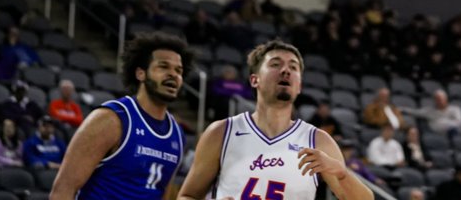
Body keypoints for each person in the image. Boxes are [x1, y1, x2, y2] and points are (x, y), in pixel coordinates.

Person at [177, 39, 372, 200]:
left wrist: (341, 174)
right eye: (275, 64)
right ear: (255, 80)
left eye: (293, 67)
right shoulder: (221, 132)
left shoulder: (318, 141)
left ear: (299, 86)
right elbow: (187, 196)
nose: (286, 70)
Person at [49, 32, 190, 200]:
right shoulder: (111, 119)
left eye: (178, 70)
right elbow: (62, 191)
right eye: (163, 66)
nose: (173, 74)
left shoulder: (177, 135)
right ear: (141, 74)